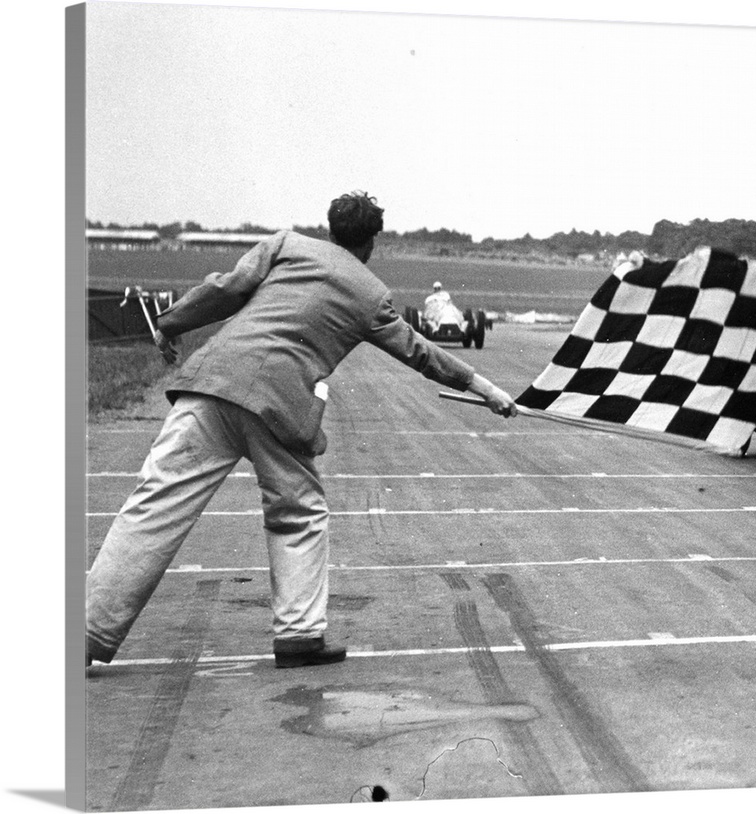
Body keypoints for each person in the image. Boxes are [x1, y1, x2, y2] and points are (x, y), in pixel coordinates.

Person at [86, 191, 518, 670]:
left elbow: (226, 289)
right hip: (278, 406)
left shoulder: (286, 244)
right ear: (372, 240)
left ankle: (86, 632)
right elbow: (422, 353)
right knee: (299, 511)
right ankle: (298, 635)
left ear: (330, 228)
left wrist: (170, 325)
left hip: (209, 383)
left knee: (153, 505)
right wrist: (487, 389)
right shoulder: (372, 294)